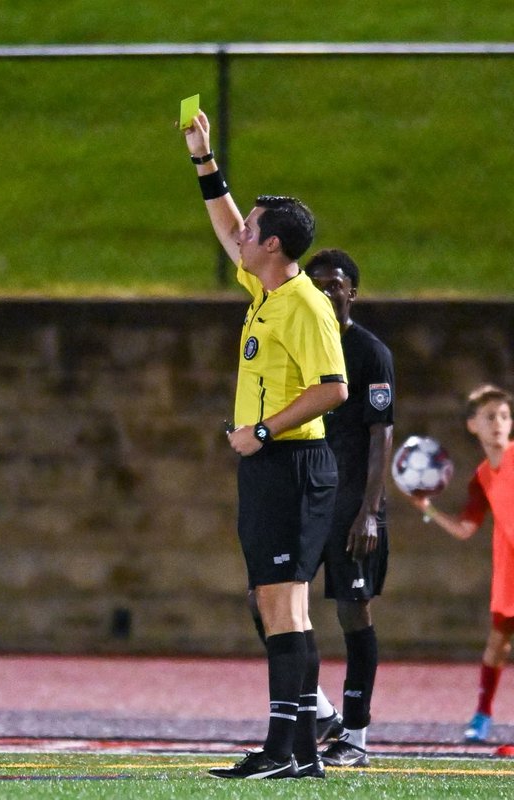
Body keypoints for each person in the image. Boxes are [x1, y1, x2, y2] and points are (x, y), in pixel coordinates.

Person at [182, 111, 348, 779]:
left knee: (283, 603)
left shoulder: (304, 304)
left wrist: (260, 430)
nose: (240, 235)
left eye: (252, 230)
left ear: (273, 244)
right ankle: (296, 751)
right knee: (281, 603)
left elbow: (332, 388)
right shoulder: (267, 287)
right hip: (271, 466)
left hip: (292, 463)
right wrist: (204, 162)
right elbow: (224, 224)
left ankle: (288, 750)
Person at [247, 249, 395, 768]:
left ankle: (355, 737)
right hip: (309, 497)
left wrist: (370, 512)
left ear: (352, 291)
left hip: (354, 506)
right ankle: (323, 712)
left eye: (336, 284)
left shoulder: (369, 352)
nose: (327, 291)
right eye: (318, 284)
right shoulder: (302, 337)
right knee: (268, 602)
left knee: (354, 612)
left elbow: (381, 435)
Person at [412, 384, 514, 744]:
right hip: (509, 571)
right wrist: (428, 510)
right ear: (473, 425)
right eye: (490, 417)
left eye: (504, 415)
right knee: (498, 643)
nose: (499, 423)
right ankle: (482, 715)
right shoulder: (482, 478)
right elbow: (465, 529)